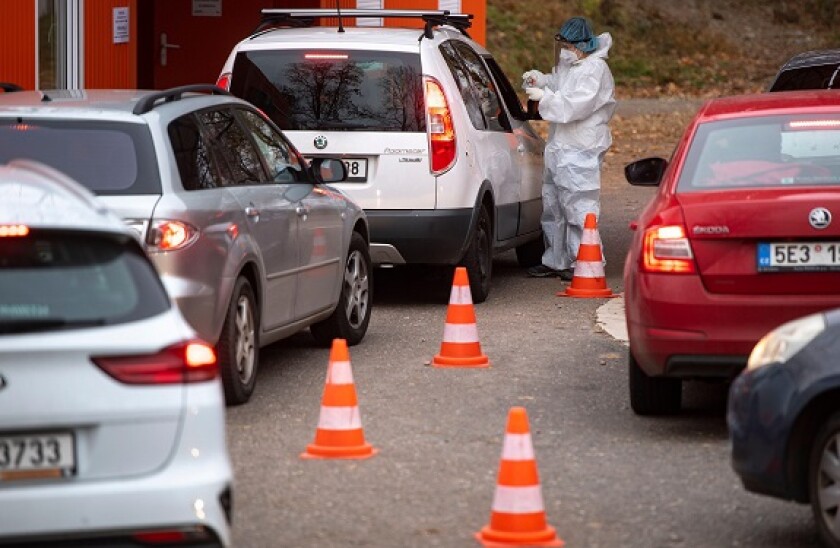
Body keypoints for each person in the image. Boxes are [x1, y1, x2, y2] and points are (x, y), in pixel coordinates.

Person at [522, 16, 616, 279]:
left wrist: (547, 98)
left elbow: (576, 105)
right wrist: (541, 81)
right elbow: (559, 84)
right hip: (561, 145)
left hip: (581, 147)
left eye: (568, 45)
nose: (564, 51)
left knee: (579, 205)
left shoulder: (595, 69)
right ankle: (556, 260)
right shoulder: (573, 64)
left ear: (583, 45)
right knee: (554, 204)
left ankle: (584, 262)